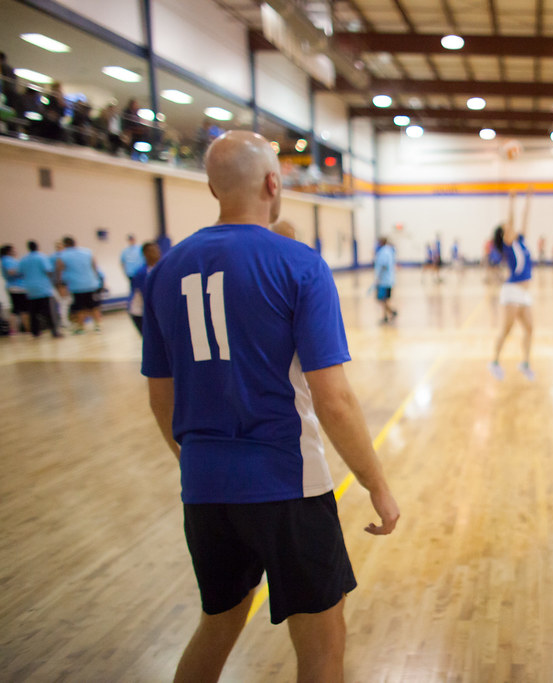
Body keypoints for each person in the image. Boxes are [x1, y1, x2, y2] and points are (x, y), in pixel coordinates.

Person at [142, 131, 399, 682]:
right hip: (287, 482)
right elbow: (334, 399)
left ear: (212, 187)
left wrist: (196, 460)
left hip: (204, 489)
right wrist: (376, 484)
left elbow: (160, 396)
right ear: (273, 183)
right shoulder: (299, 265)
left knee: (218, 625)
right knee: (323, 646)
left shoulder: (164, 271)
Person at [489, 190, 535, 381]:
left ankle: (525, 364)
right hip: (512, 291)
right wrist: (512, 202)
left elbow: (524, 219)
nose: (512, 228)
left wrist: (528, 199)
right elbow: (513, 219)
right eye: (508, 227)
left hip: (524, 293)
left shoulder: (521, 241)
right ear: (505, 234)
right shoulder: (509, 244)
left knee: (530, 328)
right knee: (506, 330)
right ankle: (494, 362)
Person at [55, 236, 102, 333]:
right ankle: (98, 326)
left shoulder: (63, 255)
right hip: (91, 284)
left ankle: (81, 327)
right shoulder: (87, 252)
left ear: (65, 245)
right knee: (93, 306)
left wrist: (60, 284)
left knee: (79, 307)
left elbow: (59, 270)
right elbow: (94, 265)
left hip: (76, 286)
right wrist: (96, 278)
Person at [19, 241, 61, 338]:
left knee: (33, 312)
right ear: (37, 247)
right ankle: (54, 331)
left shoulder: (23, 259)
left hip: (30, 288)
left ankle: (35, 332)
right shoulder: (41, 257)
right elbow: (48, 270)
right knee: (49, 311)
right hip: (43, 288)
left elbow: (20, 272)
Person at [127, 241, 161, 335]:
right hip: (140, 313)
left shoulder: (161, 268)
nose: (155, 252)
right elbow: (147, 296)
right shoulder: (141, 273)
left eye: (157, 249)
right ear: (145, 254)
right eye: (152, 250)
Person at [2, 244, 30, 334]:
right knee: (23, 309)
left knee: (16, 309)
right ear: (8, 251)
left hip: (15, 287)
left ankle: (15, 329)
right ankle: (26, 329)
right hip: (17, 287)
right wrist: (22, 271)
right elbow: (11, 272)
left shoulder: (7, 260)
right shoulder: (7, 260)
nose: (15, 251)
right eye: (13, 250)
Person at [374, 236, 398, 323]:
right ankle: (388, 314)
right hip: (388, 280)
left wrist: (378, 277)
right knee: (385, 299)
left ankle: (389, 313)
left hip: (384, 281)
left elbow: (384, 265)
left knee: (382, 299)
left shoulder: (384, 252)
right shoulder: (389, 251)